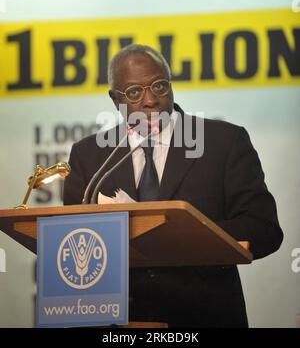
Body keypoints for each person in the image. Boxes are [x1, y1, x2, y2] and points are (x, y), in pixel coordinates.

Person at [63, 44, 283, 328]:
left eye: (159, 86)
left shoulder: (224, 143)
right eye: (134, 93)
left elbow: (264, 229)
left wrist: (184, 235)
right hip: (119, 320)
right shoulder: (89, 155)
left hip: (205, 317)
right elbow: (71, 237)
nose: (150, 100)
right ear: (114, 99)